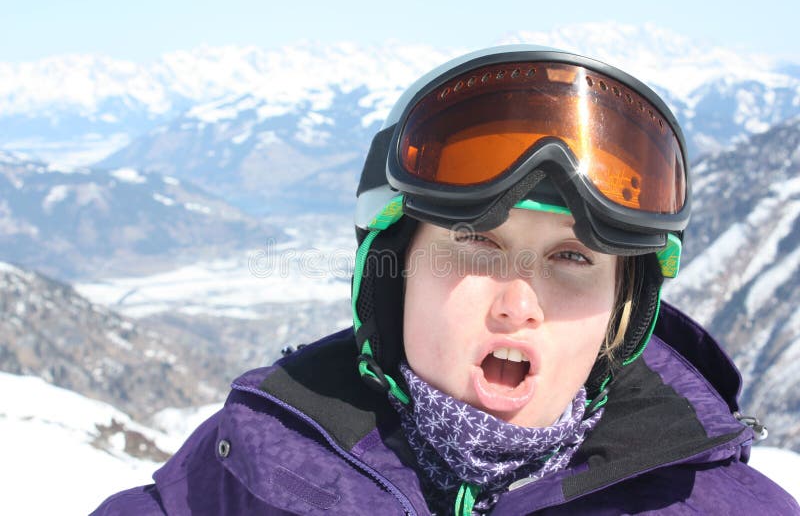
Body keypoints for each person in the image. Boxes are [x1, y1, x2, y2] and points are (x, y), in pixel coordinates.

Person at [92, 45, 799, 515]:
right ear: (392, 275)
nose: (520, 304)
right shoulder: (243, 474)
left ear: (622, 313)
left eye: (573, 258)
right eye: (476, 244)